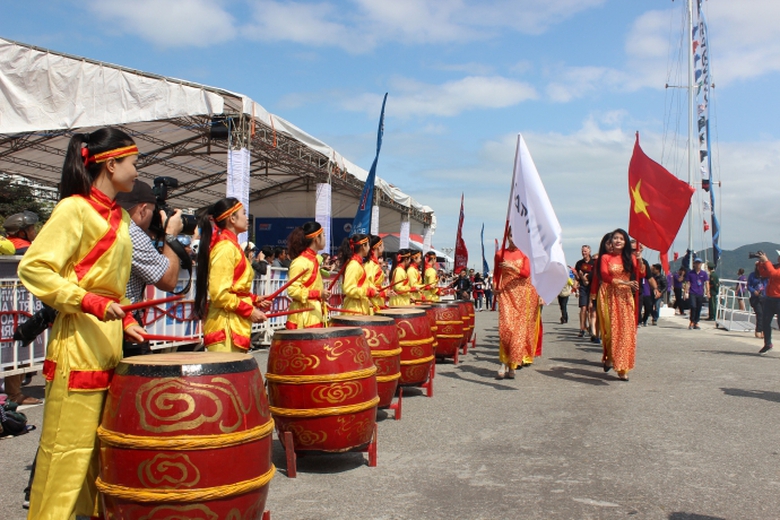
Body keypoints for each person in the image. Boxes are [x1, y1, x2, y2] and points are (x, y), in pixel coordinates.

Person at [17, 128, 146, 520]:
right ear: (111, 163)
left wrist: (125, 319)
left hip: (108, 344)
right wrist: (86, 300)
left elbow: (112, 281)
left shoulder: (120, 216)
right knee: (64, 457)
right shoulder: (74, 209)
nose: (137, 170)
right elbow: (35, 268)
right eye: (133, 161)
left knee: (100, 458)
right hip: (77, 345)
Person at [115, 180, 184, 356]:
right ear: (143, 209)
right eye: (153, 213)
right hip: (121, 321)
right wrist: (170, 236)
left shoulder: (107, 223)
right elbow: (168, 280)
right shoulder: (131, 232)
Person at [194, 198, 268, 352]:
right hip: (225, 328)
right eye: (244, 213)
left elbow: (234, 287)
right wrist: (249, 310)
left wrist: (254, 299)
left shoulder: (231, 246)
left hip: (232, 326)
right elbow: (220, 294)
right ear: (232, 219)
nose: (247, 218)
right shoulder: (225, 248)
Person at [597, 229, 644, 381]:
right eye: (616, 238)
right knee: (613, 331)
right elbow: (605, 276)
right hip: (611, 296)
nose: (618, 241)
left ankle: (622, 368)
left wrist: (640, 259)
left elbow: (641, 273)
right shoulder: (605, 257)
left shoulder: (630, 257)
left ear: (625, 242)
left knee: (626, 331)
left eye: (621, 239)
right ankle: (610, 357)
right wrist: (625, 282)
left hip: (626, 298)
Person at [493, 236, 542, 378]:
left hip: (521, 294)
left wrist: (512, 267)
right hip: (506, 293)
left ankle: (511, 364)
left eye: (516, 235)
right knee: (506, 327)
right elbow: (496, 273)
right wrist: (494, 285)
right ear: (507, 236)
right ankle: (504, 361)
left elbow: (526, 273)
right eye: (511, 235)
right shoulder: (500, 254)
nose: (513, 239)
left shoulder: (525, 254)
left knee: (517, 331)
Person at [285, 221, 331, 328]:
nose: (325, 239)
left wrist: (320, 301)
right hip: (302, 316)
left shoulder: (313, 260)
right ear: (316, 238)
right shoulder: (300, 262)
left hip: (313, 312)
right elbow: (292, 290)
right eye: (323, 235)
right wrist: (318, 294)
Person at [337, 234, 375, 315]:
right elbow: (349, 289)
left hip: (359, 306)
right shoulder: (353, 265)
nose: (369, 248)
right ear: (363, 247)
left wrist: (373, 290)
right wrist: (367, 291)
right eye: (368, 245)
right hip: (354, 309)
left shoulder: (358, 264)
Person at [757, 251, 780, 354]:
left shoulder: (776, 270)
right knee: (765, 322)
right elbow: (764, 273)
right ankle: (768, 343)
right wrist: (761, 264)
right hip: (770, 299)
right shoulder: (776, 267)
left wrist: (766, 261)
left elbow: (773, 274)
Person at [684, 258, 709, 330]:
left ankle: (696, 322)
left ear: (701, 264)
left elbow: (706, 282)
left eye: (699, 263)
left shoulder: (704, 273)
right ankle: (692, 321)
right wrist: (686, 292)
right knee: (693, 306)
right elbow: (688, 283)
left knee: (698, 308)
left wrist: (708, 292)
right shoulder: (690, 273)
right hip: (692, 292)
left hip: (700, 292)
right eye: (696, 263)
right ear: (694, 264)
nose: (698, 264)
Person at [575, 245, 595, 337]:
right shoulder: (579, 263)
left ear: (589, 252)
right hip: (583, 287)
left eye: (585, 251)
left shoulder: (594, 262)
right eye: (582, 251)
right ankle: (582, 328)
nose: (584, 253)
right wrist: (577, 276)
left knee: (591, 309)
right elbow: (577, 278)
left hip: (592, 287)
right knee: (583, 308)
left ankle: (591, 327)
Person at [365, 236, 387, 311]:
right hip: (372, 302)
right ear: (378, 246)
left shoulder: (374, 264)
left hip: (377, 300)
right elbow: (367, 284)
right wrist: (382, 293)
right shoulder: (370, 265)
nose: (384, 247)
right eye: (383, 245)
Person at [748, 262, 767, 338]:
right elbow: (749, 285)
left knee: (765, 315)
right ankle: (758, 330)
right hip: (755, 298)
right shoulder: (752, 275)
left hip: (765, 297)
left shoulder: (766, 275)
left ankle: (763, 331)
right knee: (759, 314)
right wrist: (753, 291)